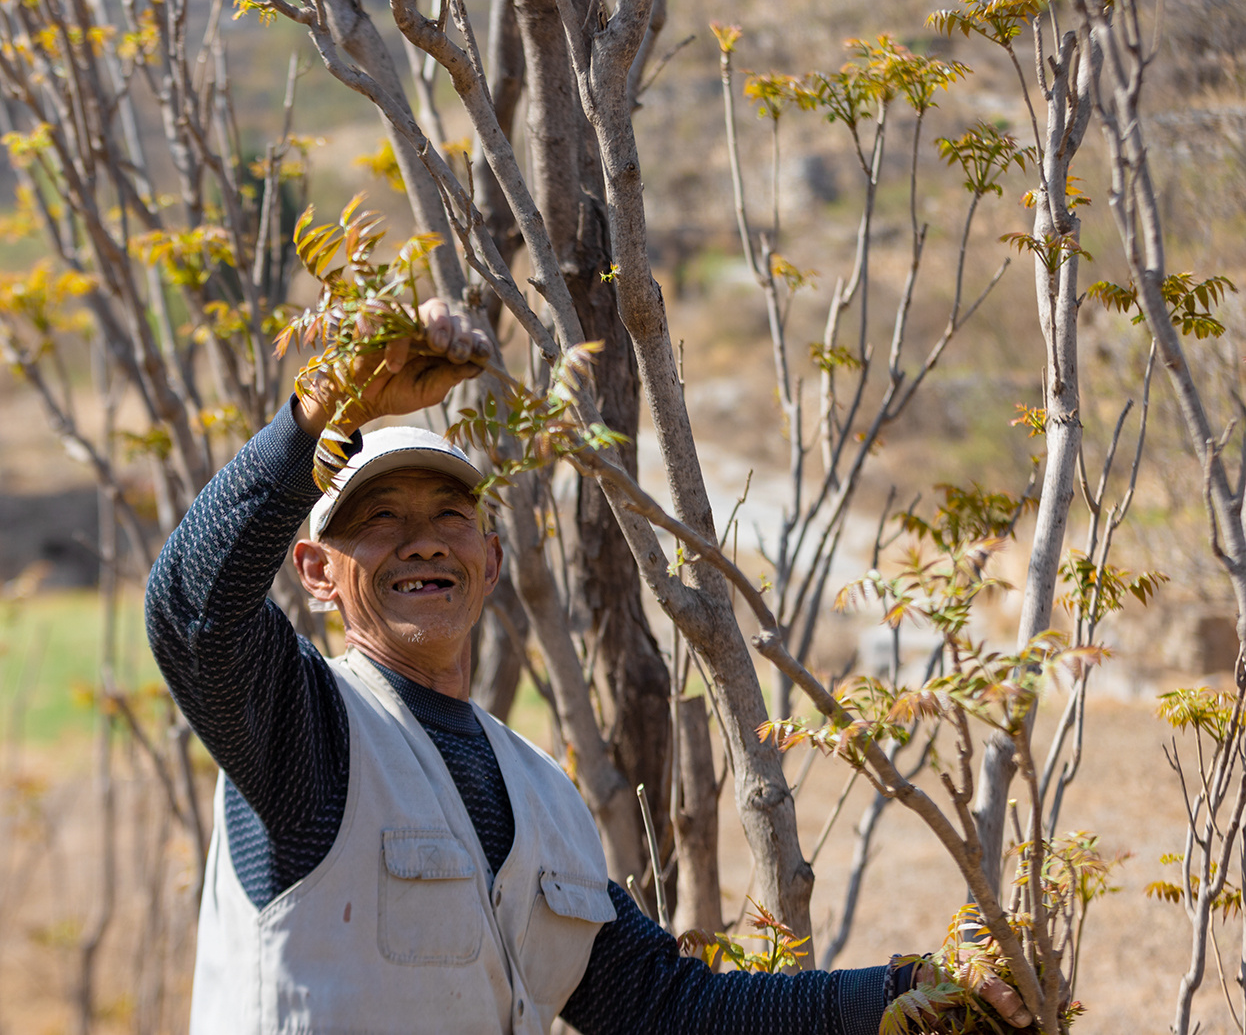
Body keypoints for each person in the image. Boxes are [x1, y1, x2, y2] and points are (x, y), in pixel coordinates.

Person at [145, 299, 1032, 1033]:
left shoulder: (542, 797)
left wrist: (899, 989)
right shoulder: (298, 730)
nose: (421, 540)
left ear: (490, 559)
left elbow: (664, 1007)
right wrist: (319, 413)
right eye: (378, 520)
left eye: (450, 514)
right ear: (316, 573)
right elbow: (191, 614)